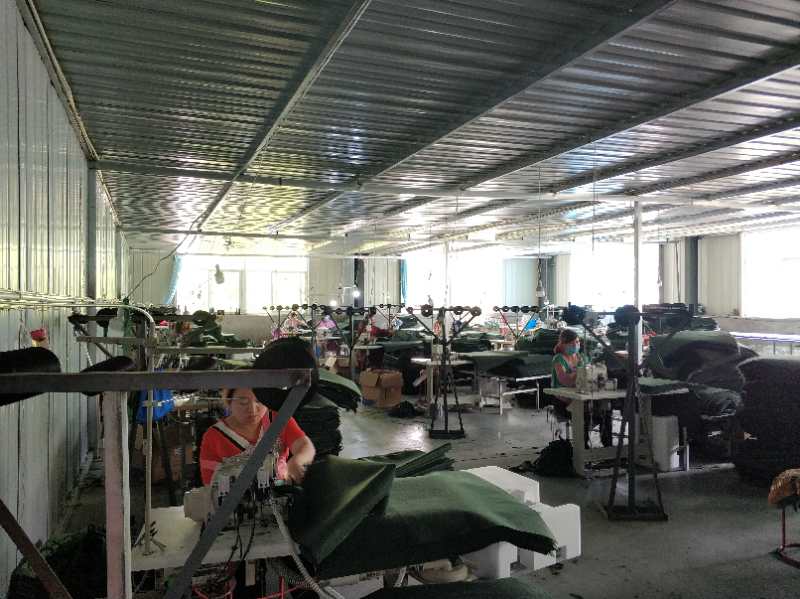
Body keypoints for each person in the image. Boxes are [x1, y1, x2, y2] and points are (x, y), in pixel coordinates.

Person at [199, 339, 317, 487]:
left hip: (280, 492)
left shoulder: (278, 419)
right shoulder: (213, 437)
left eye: (259, 401)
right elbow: (210, 485)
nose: (252, 410)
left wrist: (297, 460)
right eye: (243, 402)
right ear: (229, 401)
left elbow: (305, 446)